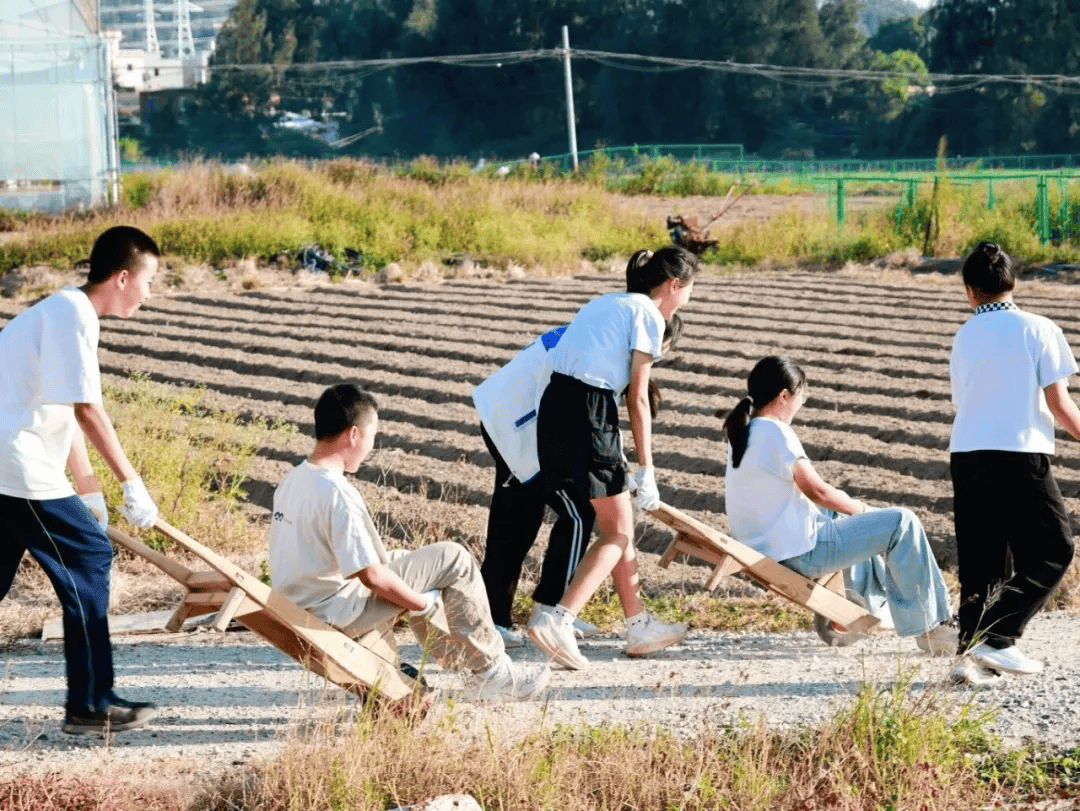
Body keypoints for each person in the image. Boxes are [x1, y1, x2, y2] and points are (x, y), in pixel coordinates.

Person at [267, 383, 550, 702]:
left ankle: (459, 661)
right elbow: (371, 576)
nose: (371, 446)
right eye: (372, 436)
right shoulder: (337, 494)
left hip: (300, 605)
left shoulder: (294, 480)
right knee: (453, 560)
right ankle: (492, 673)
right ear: (354, 435)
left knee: (405, 560)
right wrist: (421, 603)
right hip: (336, 612)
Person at [0, 225, 161, 735]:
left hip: (11, 461)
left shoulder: (59, 309)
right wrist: (131, 481)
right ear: (121, 277)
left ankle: (91, 700)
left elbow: (63, 407)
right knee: (89, 557)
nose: (149, 293)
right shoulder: (73, 315)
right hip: (15, 463)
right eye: (149, 281)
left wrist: (88, 487)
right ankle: (89, 704)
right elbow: (89, 410)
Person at [525, 245, 698, 670]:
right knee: (618, 533)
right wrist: (648, 468)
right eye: (691, 288)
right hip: (588, 411)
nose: (690, 296)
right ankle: (557, 619)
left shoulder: (606, 302)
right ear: (675, 286)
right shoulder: (648, 315)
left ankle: (637, 623)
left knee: (616, 524)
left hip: (556, 406)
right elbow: (637, 396)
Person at [721, 356, 956, 656]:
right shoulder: (776, 432)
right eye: (801, 397)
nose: (800, 405)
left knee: (839, 513)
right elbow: (816, 490)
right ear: (784, 396)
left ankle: (867, 604)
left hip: (766, 548)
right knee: (902, 522)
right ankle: (933, 626)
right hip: (799, 553)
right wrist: (862, 509)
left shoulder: (744, 432)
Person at [473, 314, 683, 648]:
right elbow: (591, 418)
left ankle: (495, 619)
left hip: (509, 415)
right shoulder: (607, 355)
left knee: (517, 516)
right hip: (520, 425)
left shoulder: (597, 336)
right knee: (576, 512)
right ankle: (549, 613)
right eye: (657, 352)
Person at [949, 241, 1080, 685]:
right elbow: (1060, 405)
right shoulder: (1039, 328)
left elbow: (963, 400)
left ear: (970, 291)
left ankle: (969, 656)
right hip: (1020, 452)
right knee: (1053, 548)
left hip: (967, 454)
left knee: (982, 558)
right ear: (1014, 283)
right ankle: (996, 635)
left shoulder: (964, 335)